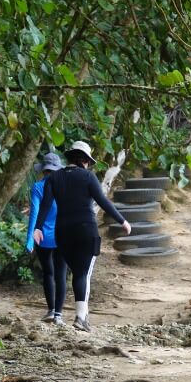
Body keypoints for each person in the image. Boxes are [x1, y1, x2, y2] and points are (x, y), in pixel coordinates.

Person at [34, 141, 131, 332]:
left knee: (72, 272)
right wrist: (122, 221)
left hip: (62, 233)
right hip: (86, 231)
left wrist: (38, 228)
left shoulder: (54, 178)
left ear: (69, 157)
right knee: (82, 273)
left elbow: (45, 205)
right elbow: (102, 201)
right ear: (85, 160)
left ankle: (75, 315)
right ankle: (81, 318)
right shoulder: (88, 176)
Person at [25, 152, 68, 325]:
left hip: (42, 236)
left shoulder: (38, 187)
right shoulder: (65, 186)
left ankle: (51, 310)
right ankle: (58, 315)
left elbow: (35, 213)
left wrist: (30, 239)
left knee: (48, 273)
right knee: (61, 274)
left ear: (43, 170)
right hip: (63, 235)